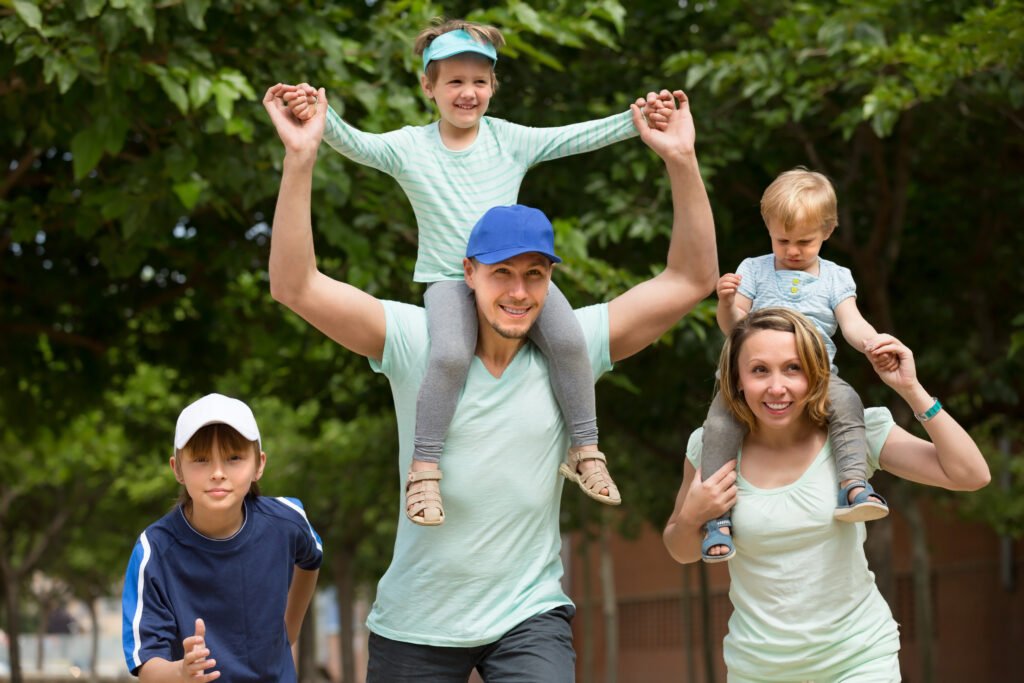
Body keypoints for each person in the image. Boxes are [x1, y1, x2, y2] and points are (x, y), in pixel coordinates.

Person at [264, 81, 716, 681]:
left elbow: (690, 278)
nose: (519, 291)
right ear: (469, 274)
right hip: (416, 621)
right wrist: (301, 161)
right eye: (502, 273)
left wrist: (681, 160)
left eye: (535, 275)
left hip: (529, 616)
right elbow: (295, 286)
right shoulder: (418, 338)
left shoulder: (572, 348)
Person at [278, 18, 670, 524]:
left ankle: (586, 450)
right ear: (428, 87)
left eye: (479, 82)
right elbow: (358, 145)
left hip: (511, 278)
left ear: (493, 86)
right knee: (447, 356)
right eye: (455, 82)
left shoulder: (509, 140)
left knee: (571, 342)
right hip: (448, 280)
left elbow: (575, 137)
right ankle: (423, 472)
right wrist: (320, 118)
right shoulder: (408, 147)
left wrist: (637, 119)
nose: (468, 92)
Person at [663, 308, 990, 682]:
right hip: (758, 669)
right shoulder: (710, 449)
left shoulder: (852, 436)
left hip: (859, 659)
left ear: (816, 373)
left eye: (793, 368)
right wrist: (693, 515)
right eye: (759, 370)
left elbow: (970, 474)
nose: (777, 387)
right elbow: (681, 550)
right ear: (736, 379)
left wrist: (910, 390)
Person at [698, 168, 897, 562]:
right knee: (719, 425)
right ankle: (717, 519)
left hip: (814, 376)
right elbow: (734, 329)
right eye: (781, 240)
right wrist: (725, 303)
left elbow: (851, 323)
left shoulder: (836, 278)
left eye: (804, 242)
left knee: (848, 403)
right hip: (750, 375)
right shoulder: (754, 270)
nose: (791, 250)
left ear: (828, 230)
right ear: (768, 229)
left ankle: (854, 484)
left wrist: (872, 342)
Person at [121, 393, 323, 682]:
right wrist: (181, 671)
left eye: (234, 458)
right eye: (201, 460)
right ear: (177, 468)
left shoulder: (286, 521)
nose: (217, 473)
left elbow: (312, 557)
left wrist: (289, 629)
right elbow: (147, 664)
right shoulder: (153, 550)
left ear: (259, 464)